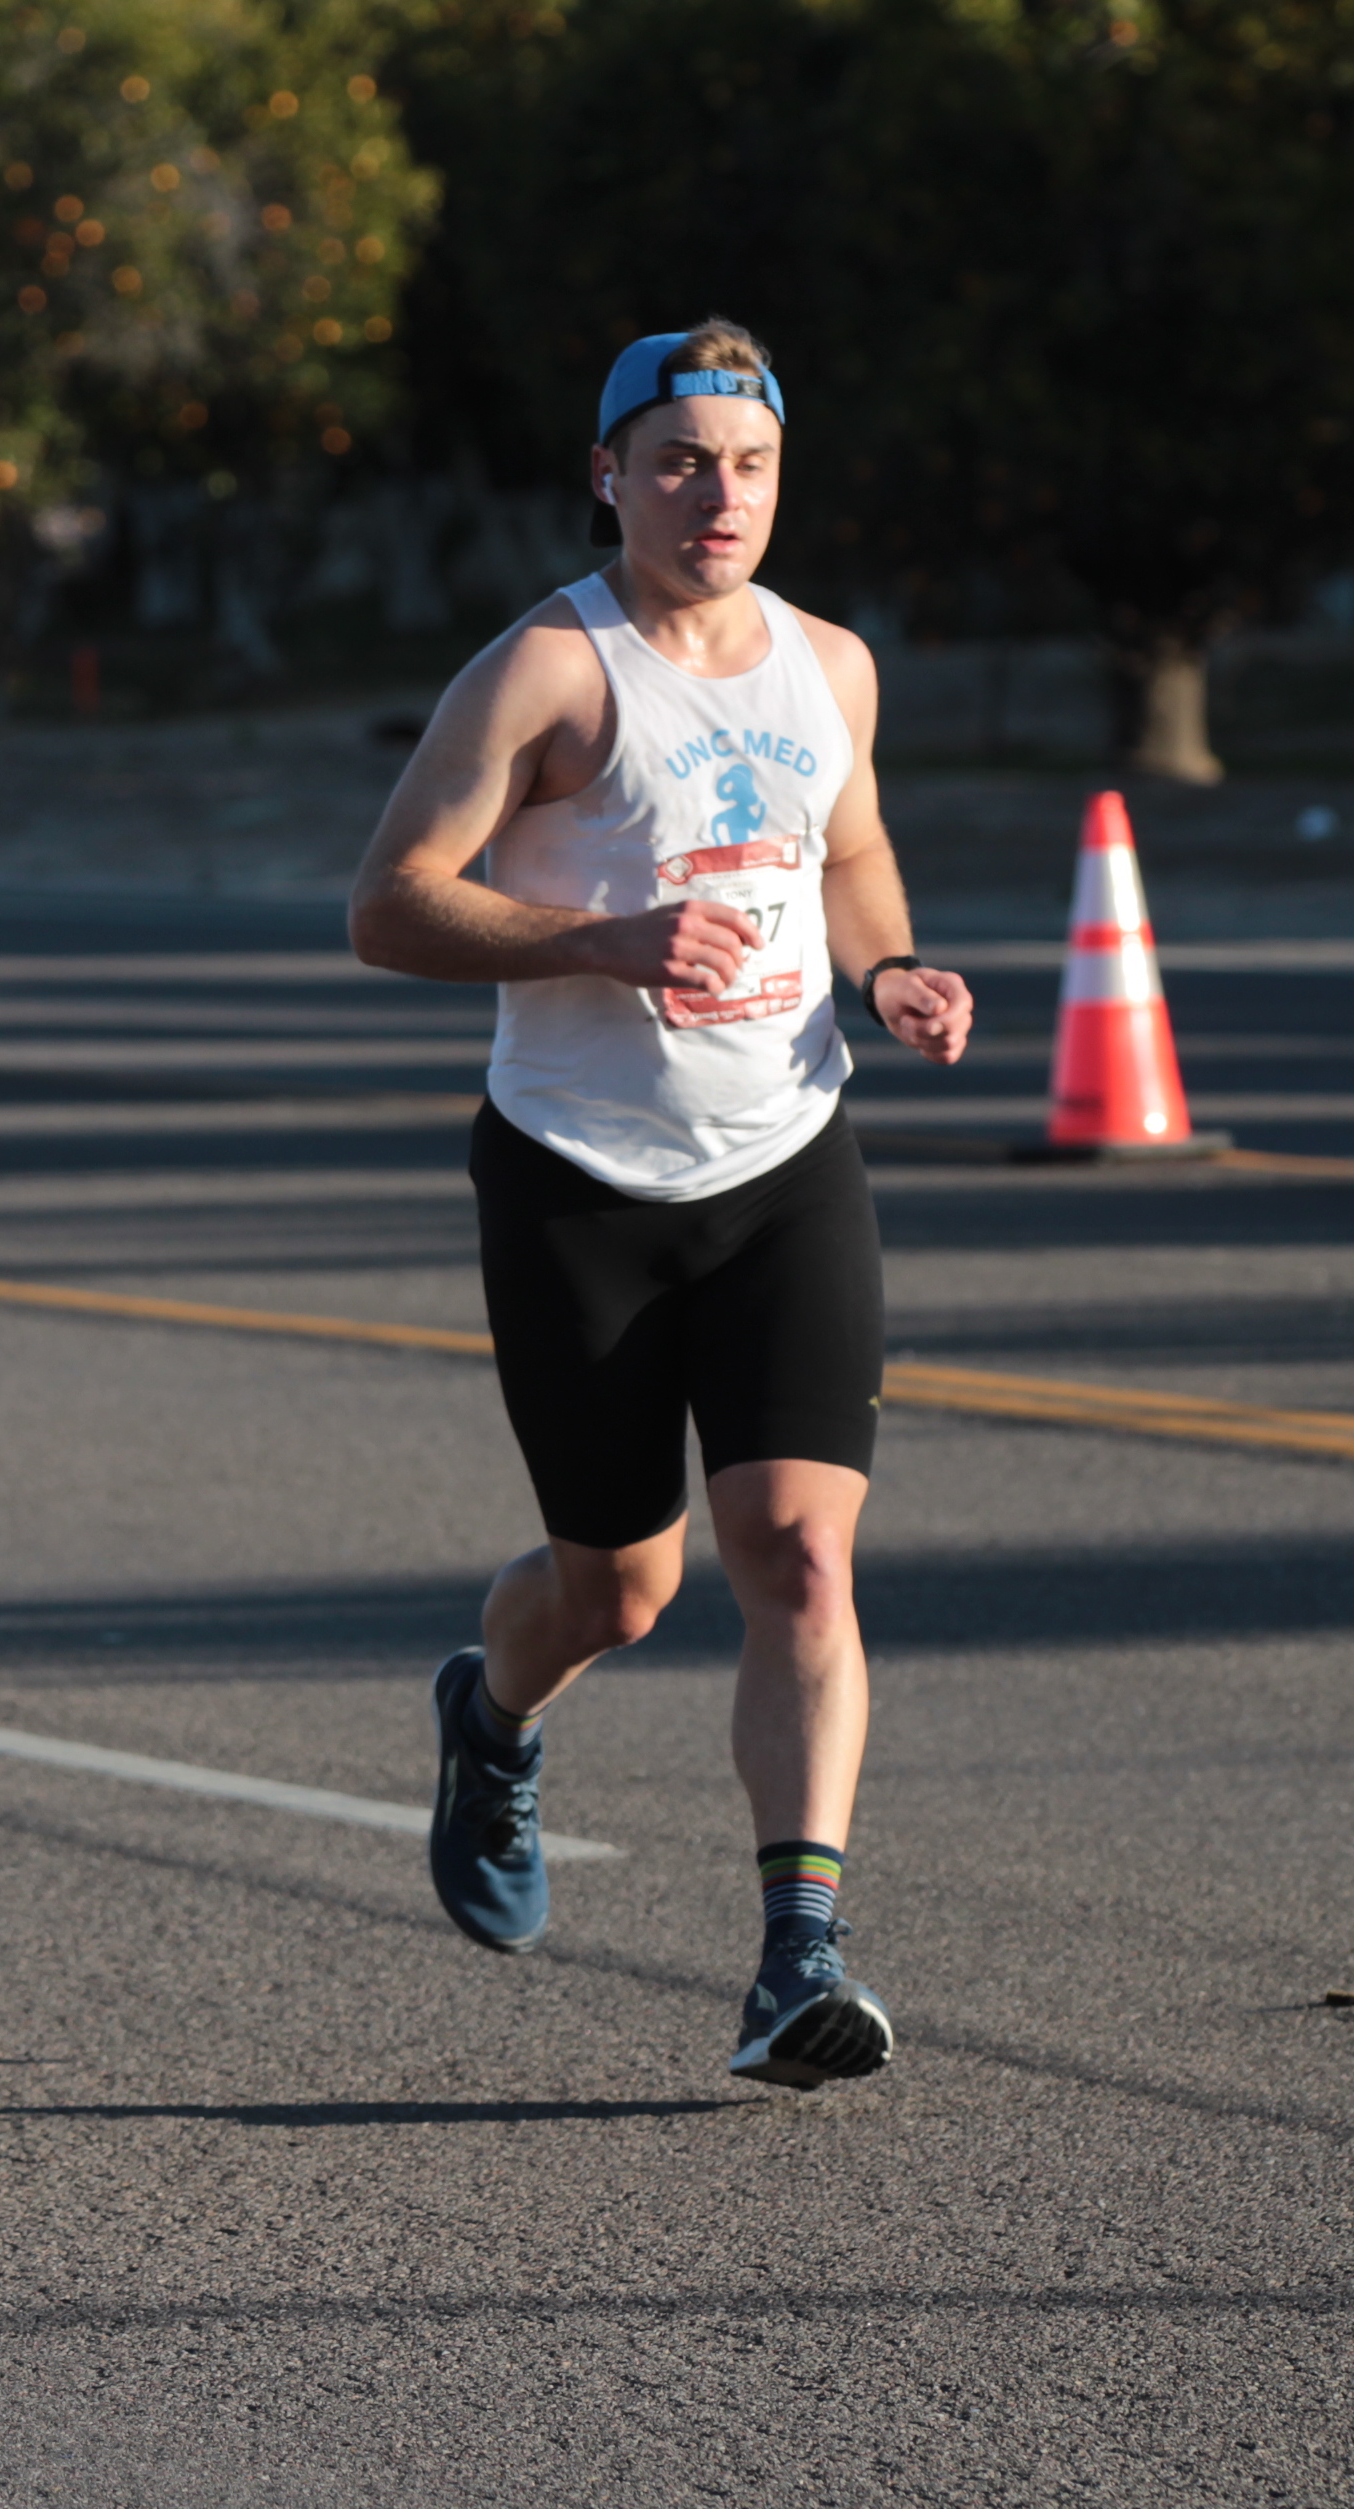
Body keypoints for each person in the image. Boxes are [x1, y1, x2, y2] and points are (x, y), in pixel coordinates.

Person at [347, 322, 973, 2088]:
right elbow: (388, 904)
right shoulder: (547, 671)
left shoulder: (830, 665)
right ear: (608, 475)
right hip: (577, 1179)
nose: (718, 494)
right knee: (615, 1590)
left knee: (799, 1552)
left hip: (784, 1160)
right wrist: (602, 940)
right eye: (682, 460)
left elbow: (847, 851)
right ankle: (490, 1718)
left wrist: (889, 968)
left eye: (749, 464)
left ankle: (796, 1956)